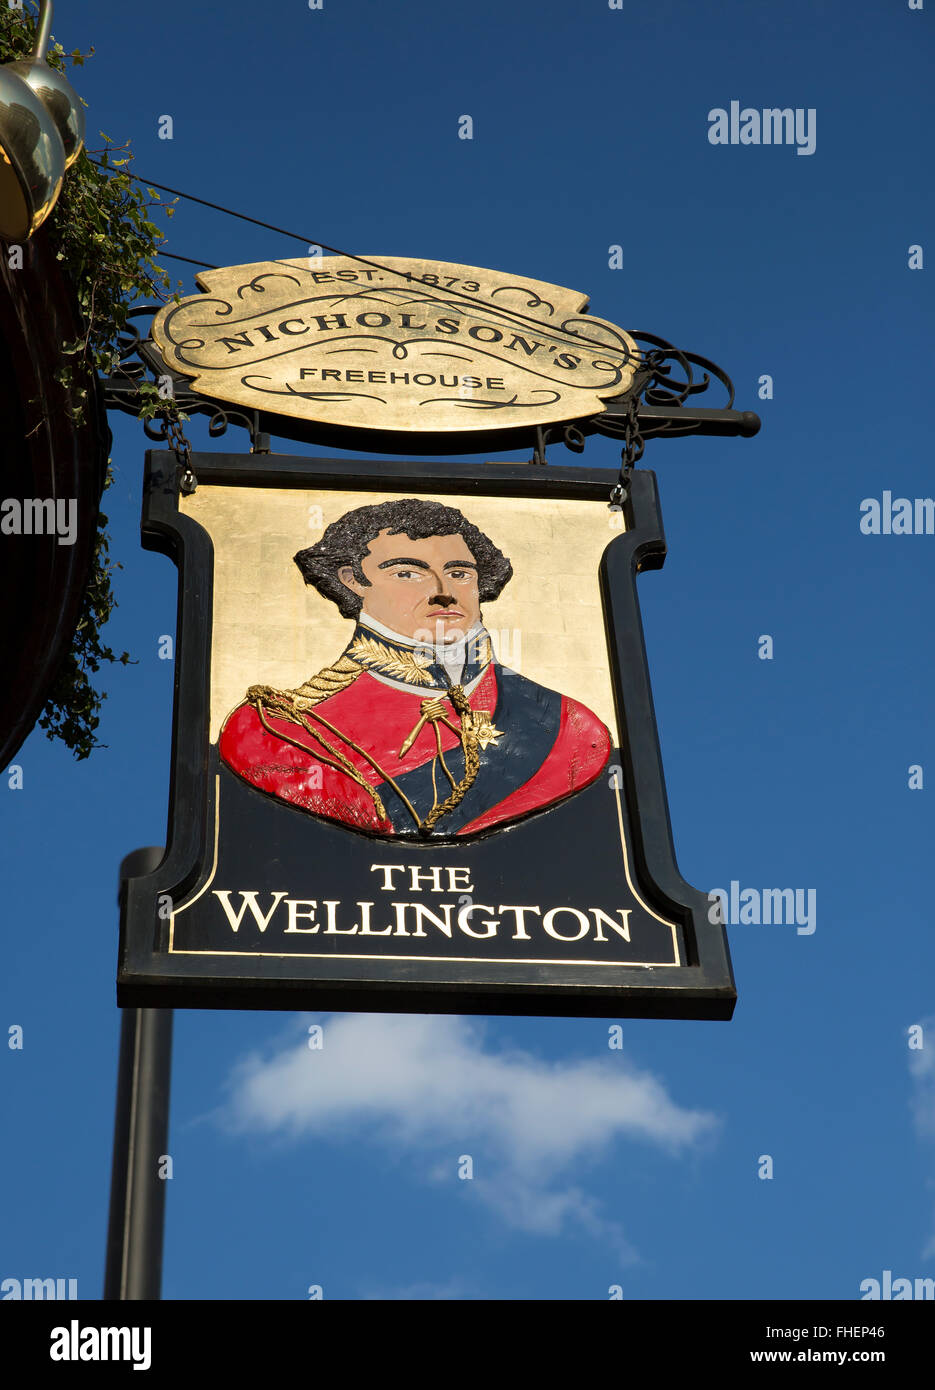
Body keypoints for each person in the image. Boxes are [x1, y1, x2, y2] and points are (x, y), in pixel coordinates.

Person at [218, 498, 611, 839]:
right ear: (353, 580)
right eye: (407, 572)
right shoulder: (276, 728)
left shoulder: (570, 726)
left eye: (460, 573)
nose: (443, 589)